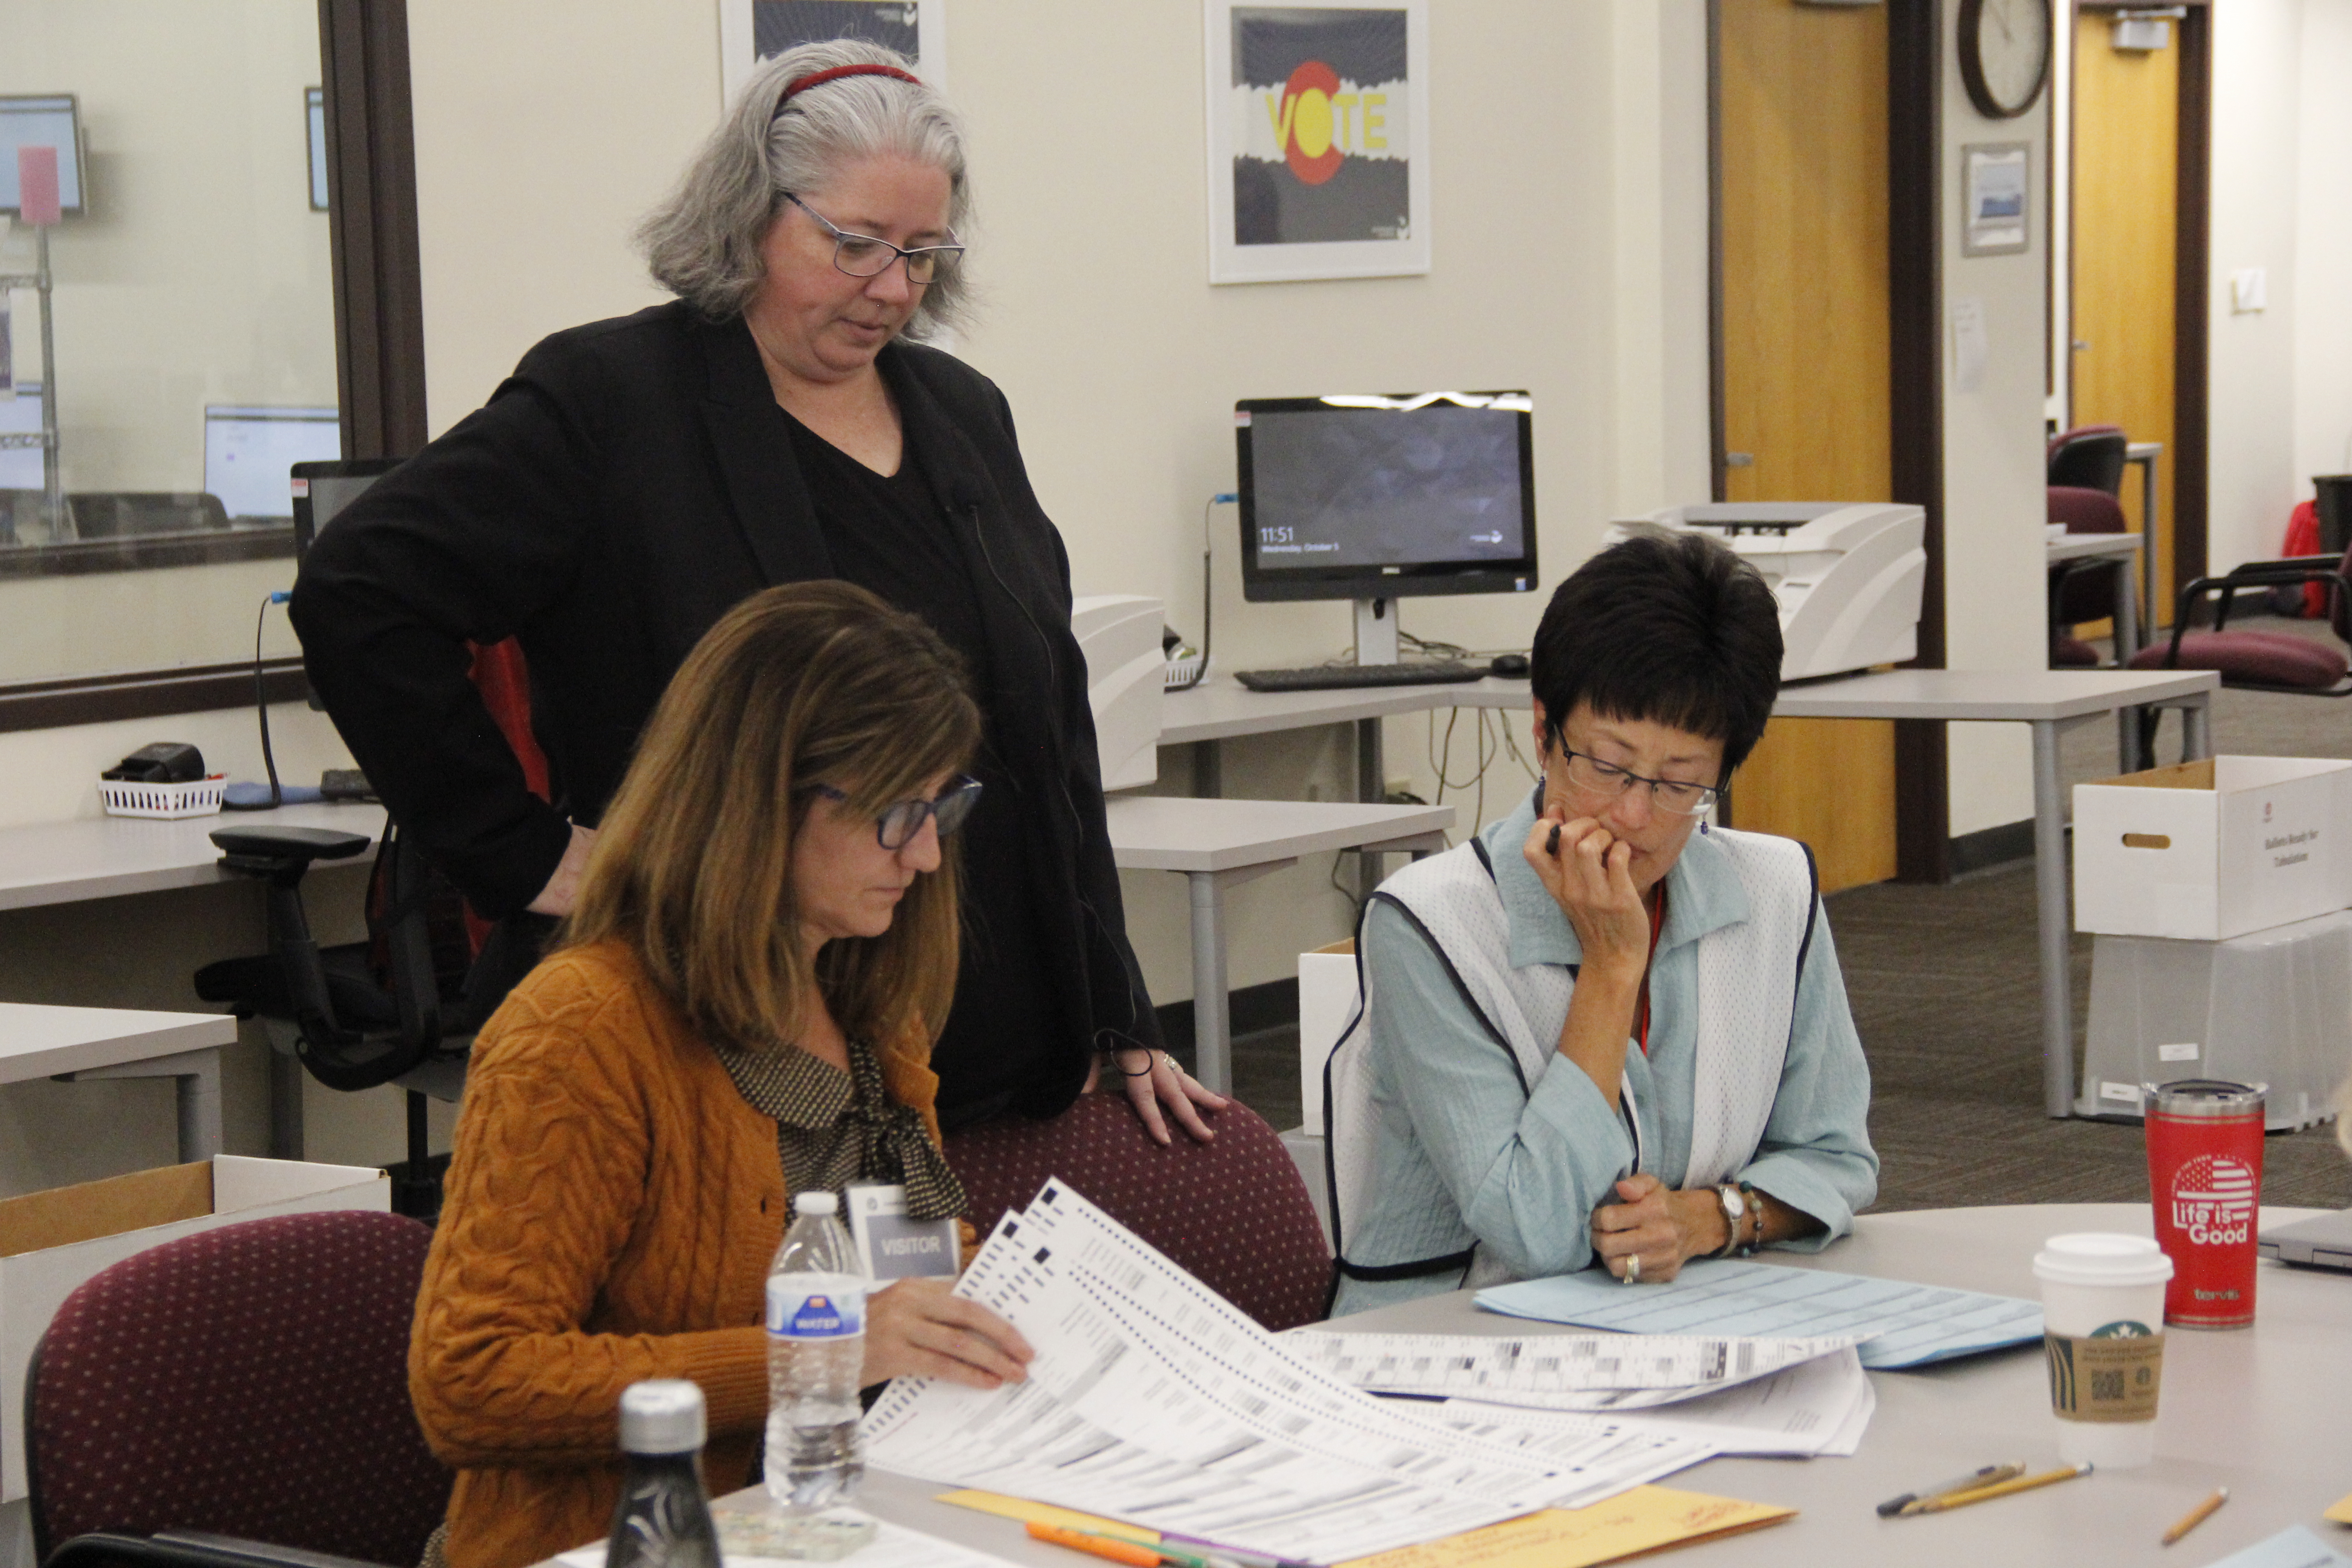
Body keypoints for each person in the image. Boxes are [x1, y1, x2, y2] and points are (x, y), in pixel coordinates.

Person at [291, 39, 1219, 1143]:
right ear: (749, 216)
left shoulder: (961, 411)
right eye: (855, 244)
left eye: (925, 252)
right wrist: (525, 854)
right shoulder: (614, 404)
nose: (892, 287)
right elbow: (357, 594)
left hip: (992, 1050)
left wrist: (1115, 1007)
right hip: (730, 1049)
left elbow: (1047, 728)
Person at [410, 582, 1037, 1568]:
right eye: (895, 813)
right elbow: (473, 1384)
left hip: (846, 1522)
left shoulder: (870, 1000)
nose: (924, 855)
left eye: (941, 808)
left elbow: (909, 1251)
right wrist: (819, 1360)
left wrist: (988, 1316)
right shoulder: (583, 1031)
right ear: (760, 798)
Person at [1327, 531, 1879, 1315]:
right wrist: (1613, 967)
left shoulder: (1776, 890)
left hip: (1684, 1313)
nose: (1632, 816)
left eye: (1678, 784)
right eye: (1607, 767)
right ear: (1543, 731)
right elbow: (1538, 1232)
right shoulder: (1429, 925)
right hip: (1450, 1340)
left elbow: (1837, 1157)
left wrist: (1710, 1219)